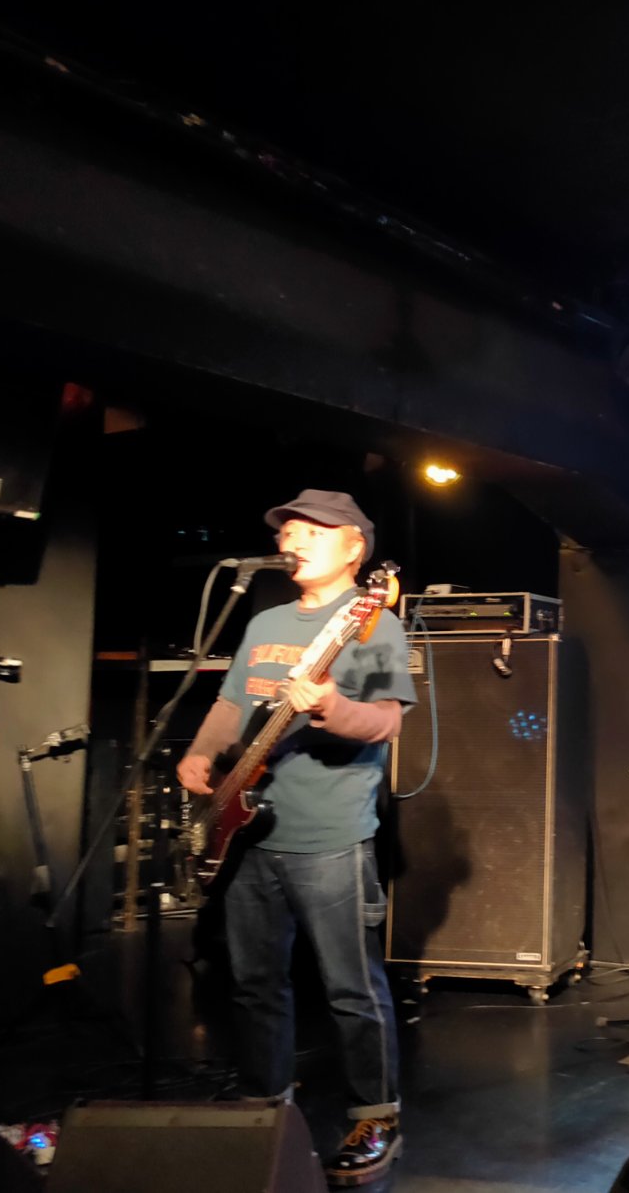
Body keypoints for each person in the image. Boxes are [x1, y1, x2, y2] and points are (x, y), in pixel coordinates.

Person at [178, 489, 415, 1188]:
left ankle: (375, 1116)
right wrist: (201, 753)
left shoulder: (372, 624)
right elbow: (232, 703)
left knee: (351, 989)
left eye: (314, 530)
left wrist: (331, 706)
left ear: (354, 549)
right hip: (247, 831)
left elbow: (386, 722)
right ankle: (264, 1103)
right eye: (289, 530)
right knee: (254, 984)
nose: (294, 540)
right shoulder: (266, 621)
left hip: (330, 835)